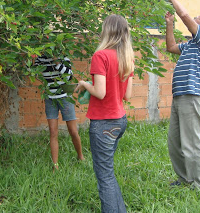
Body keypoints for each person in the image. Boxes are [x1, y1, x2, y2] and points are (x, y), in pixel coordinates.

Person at [75, 14, 134, 213]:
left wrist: (84, 84)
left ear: (107, 31)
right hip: (120, 120)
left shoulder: (100, 56)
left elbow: (100, 92)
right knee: (108, 173)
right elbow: (128, 95)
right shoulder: (127, 57)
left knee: (104, 176)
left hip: (104, 124)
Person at [163, 0, 200, 189]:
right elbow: (170, 47)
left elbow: (185, 16)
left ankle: (199, 184)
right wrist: (169, 24)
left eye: (197, 19)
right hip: (179, 96)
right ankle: (185, 179)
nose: (193, 19)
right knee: (175, 142)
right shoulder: (191, 45)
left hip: (191, 95)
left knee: (191, 142)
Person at [35, 55, 84, 171]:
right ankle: (55, 165)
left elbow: (69, 76)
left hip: (65, 98)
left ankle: (80, 156)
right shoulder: (40, 59)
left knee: (73, 131)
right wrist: (31, 60)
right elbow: (34, 73)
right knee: (53, 132)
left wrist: (57, 62)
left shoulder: (64, 58)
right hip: (50, 98)